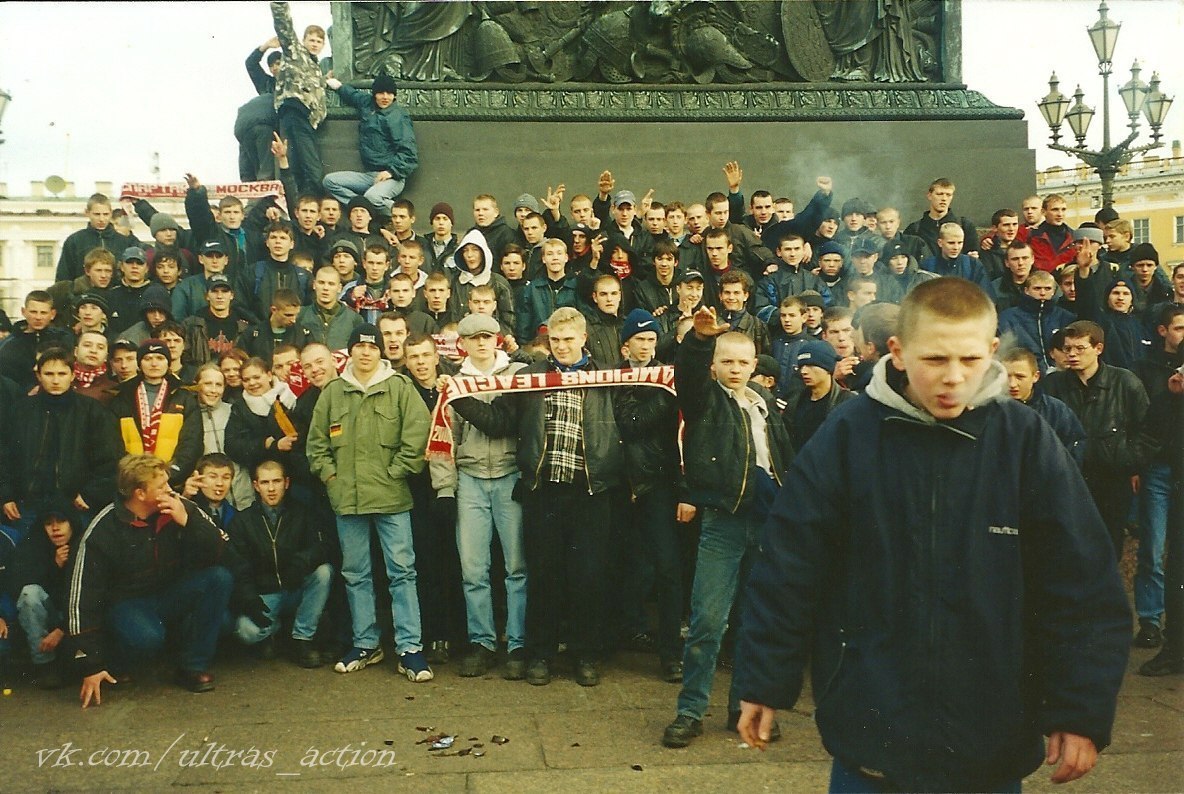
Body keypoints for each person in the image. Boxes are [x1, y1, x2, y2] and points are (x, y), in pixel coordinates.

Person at [734, 278, 1130, 792]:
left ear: (991, 351)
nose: (953, 378)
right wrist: (764, 681)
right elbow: (788, 566)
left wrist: (1079, 711)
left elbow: (1083, 582)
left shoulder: (1024, 440)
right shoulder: (848, 434)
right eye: (935, 360)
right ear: (897, 352)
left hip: (991, 740)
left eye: (969, 360)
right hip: (871, 740)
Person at [446, 307, 624, 688]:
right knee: (544, 575)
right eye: (555, 340)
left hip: (591, 490)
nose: (561, 347)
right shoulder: (531, 377)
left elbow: (628, 422)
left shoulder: (605, 376)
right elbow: (499, 422)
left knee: (588, 577)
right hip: (543, 490)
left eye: (568, 340)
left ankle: (584, 655)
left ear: (583, 340)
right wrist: (459, 397)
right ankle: (541, 655)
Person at [661, 307, 793, 749]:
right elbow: (688, 377)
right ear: (714, 365)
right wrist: (698, 341)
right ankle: (690, 710)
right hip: (725, 522)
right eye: (726, 361)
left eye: (743, 362)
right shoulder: (705, 398)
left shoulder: (763, 403)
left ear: (755, 365)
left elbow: (782, 458)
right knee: (707, 623)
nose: (735, 369)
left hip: (767, 524)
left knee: (753, 623)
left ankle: (744, 709)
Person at [306, 324, 433, 680]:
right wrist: (331, 477)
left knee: (402, 573)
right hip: (347, 500)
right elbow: (317, 445)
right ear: (350, 353)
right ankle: (365, 643)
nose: (366, 353)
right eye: (359, 348)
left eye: (372, 347)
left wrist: (395, 472)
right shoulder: (333, 392)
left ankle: (410, 647)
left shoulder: (398, 388)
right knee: (355, 573)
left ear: (381, 352)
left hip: (392, 498)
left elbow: (417, 436)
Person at [69, 454, 232, 705]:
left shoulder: (177, 505)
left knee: (218, 578)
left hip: (168, 593)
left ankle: (192, 667)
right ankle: (116, 663)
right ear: (140, 494)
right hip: (126, 604)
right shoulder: (104, 528)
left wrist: (188, 521)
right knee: (148, 638)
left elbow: (222, 550)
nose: (170, 490)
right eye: (162, 486)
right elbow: (82, 597)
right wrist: (91, 664)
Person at [0, 348, 121, 540]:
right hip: (29, 505)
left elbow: (110, 459)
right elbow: (5, 456)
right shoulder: (21, 411)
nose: (55, 380)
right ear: (38, 376)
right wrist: (6, 496)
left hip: (75, 504)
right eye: (49, 374)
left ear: (72, 375)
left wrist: (90, 494)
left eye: (62, 374)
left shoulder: (92, 411)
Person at [228, 458, 333, 668]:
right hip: (266, 594)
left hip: (294, 587)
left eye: (276, 481)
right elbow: (239, 567)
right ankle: (273, 632)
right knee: (246, 631)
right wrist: (249, 598)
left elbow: (321, 547)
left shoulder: (302, 513)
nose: (271, 488)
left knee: (324, 572)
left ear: (286, 483)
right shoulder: (243, 521)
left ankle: (302, 639)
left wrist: (302, 561)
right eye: (265, 483)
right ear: (256, 486)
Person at [110, 340, 203, 488]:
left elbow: (191, 443)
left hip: (171, 482)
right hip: (133, 483)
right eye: (148, 359)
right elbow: (113, 444)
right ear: (139, 364)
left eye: (160, 358)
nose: (154, 364)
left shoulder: (184, 397)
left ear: (168, 363)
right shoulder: (122, 397)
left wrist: (169, 475)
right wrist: (135, 476)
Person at [323, 72, 418, 214]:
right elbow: (353, 95)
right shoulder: (368, 104)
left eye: (389, 93)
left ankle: (400, 215)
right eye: (381, 93)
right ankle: (363, 208)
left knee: (372, 197)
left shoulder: (399, 116)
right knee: (330, 181)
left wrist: (391, 171)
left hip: (392, 177)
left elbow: (409, 153)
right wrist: (337, 85)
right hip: (370, 176)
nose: (385, 97)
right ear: (374, 94)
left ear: (394, 95)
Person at [11, 502, 79, 689]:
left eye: (61, 521)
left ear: (71, 523)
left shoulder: (85, 543)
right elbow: (18, 583)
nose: (55, 528)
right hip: (47, 614)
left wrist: (62, 628)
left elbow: (93, 594)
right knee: (29, 593)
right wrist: (54, 565)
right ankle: (45, 665)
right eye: (49, 523)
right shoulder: (34, 544)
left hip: (77, 618)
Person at [270, 1, 328, 195]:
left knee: (297, 167)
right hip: (295, 111)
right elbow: (284, 27)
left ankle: (304, 202)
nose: (314, 44)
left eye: (319, 42)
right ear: (303, 41)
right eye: (311, 40)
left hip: (306, 120)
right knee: (313, 169)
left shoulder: (317, 68)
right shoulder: (295, 53)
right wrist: (279, 4)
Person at [1000, 346, 1086, 462]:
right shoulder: (989, 411)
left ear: (1035, 376)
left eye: (1020, 377)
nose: (1012, 384)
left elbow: (1075, 449)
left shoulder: (1056, 410)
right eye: (1006, 377)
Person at [0, 290, 73, 391]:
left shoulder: (63, 339)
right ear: (23, 312)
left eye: (43, 313)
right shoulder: (9, 344)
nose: (38, 317)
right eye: (33, 312)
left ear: (52, 314)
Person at [55, 193, 137, 282]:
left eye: (105, 214)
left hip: (116, 293)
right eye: (97, 214)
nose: (101, 219)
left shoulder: (124, 242)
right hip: (83, 293)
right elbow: (63, 276)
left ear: (111, 213)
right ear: (87, 213)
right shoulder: (75, 241)